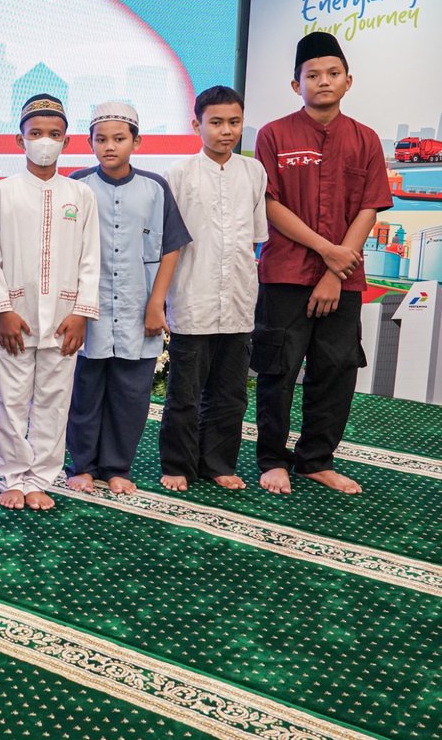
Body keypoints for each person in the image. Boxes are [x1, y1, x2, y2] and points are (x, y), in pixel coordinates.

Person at [252, 33, 390, 496]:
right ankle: (272, 460)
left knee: (336, 369)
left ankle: (316, 460)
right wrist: (326, 250)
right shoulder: (274, 135)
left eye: (333, 73)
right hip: (285, 273)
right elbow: (269, 203)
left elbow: (369, 207)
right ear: (297, 85)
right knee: (278, 370)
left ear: (349, 81)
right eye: (312, 75)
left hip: (343, 280)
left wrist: (335, 270)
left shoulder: (366, 139)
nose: (323, 81)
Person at [0, 93, 100, 511]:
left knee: (54, 402)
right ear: (20, 139)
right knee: (10, 403)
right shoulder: (0, 193)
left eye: (54, 134)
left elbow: (90, 257)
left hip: (64, 319)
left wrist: (82, 312)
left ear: (67, 141)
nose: (44, 141)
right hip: (13, 319)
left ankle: (41, 479)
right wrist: (2, 310)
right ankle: (13, 477)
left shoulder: (80, 195)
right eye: (36, 133)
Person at [66, 102, 189, 495]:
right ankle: (83, 466)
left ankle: (118, 467)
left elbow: (171, 247)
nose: (109, 146)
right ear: (89, 142)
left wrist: (156, 304)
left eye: (119, 138)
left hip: (139, 306)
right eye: (101, 139)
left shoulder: (155, 187)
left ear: (136, 142)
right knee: (85, 390)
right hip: (88, 307)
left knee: (131, 393)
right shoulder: (77, 185)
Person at [161, 85, 266, 492]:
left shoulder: (254, 172)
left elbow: (255, 236)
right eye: (216, 122)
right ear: (197, 125)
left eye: (234, 122)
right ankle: (178, 465)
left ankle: (218, 463)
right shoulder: (179, 174)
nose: (226, 131)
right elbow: (168, 241)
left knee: (231, 394)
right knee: (184, 393)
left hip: (238, 299)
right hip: (192, 297)